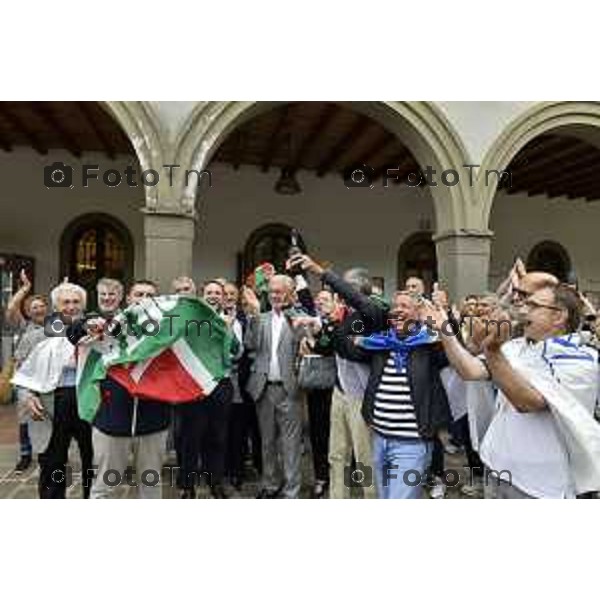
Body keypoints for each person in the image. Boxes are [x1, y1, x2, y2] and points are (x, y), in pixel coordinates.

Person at [424, 283, 600, 498]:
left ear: (559, 316)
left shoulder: (582, 359)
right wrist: (444, 328)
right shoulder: (518, 346)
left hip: (538, 484)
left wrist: (492, 350)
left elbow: (527, 402)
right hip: (496, 466)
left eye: (534, 306)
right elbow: (469, 370)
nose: (523, 311)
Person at [76, 280, 172, 499]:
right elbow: (75, 332)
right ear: (128, 299)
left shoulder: (168, 330)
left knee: (150, 486)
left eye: (150, 295)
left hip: (153, 422)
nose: (144, 299)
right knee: (105, 487)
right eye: (139, 294)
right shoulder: (107, 324)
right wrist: (85, 327)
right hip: (112, 420)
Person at [15, 282, 94, 498]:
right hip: (51, 405)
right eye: (65, 302)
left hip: (87, 402)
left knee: (93, 461)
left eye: (76, 302)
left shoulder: (96, 332)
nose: (71, 306)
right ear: (56, 305)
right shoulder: (36, 336)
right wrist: (27, 396)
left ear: (83, 305)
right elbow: (21, 374)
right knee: (53, 464)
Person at [243, 275, 306, 499]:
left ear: (290, 294)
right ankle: (270, 485)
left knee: (290, 445)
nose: (275, 295)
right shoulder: (261, 318)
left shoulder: (299, 318)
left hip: (290, 389)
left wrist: (295, 316)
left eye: (280, 291)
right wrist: (252, 316)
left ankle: (291, 491)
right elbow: (249, 344)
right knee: (267, 442)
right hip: (263, 388)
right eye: (271, 291)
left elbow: (305, 339)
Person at [176, 280, 238, 499]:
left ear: (223, 297)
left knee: (217, 437)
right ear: (203, 295)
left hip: (220, 385)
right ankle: (187, 485)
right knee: (190, 437)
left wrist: (228, 330)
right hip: (194, 384)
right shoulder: (192, 319)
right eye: (209, 292)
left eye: (217, 293)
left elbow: (235, 352)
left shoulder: (228, 319)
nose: (213, 296)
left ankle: (216, 482)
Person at [5, 269, 48, 472]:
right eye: (34, 307)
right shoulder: (24, 326)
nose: (38, 309)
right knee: (25, 416)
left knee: (45, 415)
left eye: (41, 306)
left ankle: (46, 452)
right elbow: (11, 308)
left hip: (47, 378)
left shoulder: (55, 326)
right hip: (25, 378)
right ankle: (25, 454)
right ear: (29, 312)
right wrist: (25, 288)